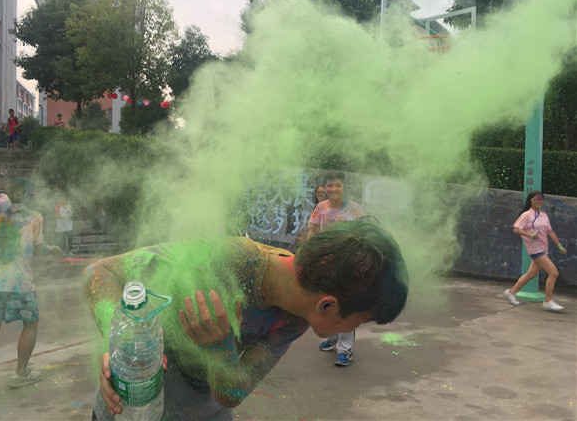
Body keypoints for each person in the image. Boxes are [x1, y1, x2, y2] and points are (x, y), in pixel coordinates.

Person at [85, 217, 408, 420]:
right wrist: (123, 346)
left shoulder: (296, 317)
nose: (356, 329)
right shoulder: (225, 259)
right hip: (132, 407)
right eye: (361, 321)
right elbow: (99, 272)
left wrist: (221, 352)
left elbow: (231, 394)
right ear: (327, 305)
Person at [0, 178, 62, 397]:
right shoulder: (35, 217)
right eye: (32, 192)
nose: (35, 195)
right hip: (19, 281)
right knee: (31, 324)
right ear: (26, 194)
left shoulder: (0, 216)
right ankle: (20, 373)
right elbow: (38, 248)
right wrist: (52, 250)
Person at [308, 171, 364, 367]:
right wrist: (308, 255)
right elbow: (313, 232)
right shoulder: (321, 207)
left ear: (343, 187)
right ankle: (333, 337)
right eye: (330, 185)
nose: (333, 189)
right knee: (327, 303)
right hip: (326, 265)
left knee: (345, 306)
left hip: (348, 265)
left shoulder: (355, 209)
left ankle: (345, 350)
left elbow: (364, 235)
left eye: (337, 185)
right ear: (325, 188)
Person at [504, 191, 568, 312]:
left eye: (541, 199)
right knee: (553, 273)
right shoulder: (527, 215)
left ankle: (511, 292)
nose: (539, 202)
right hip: (534, 249)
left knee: (531, 274)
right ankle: (548, 301)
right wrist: (530, 235)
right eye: (536, 199)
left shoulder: (544, 215)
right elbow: (516, 229)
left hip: (543, 248)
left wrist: (559, 246)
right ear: (531, 201)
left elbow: (550, 232)